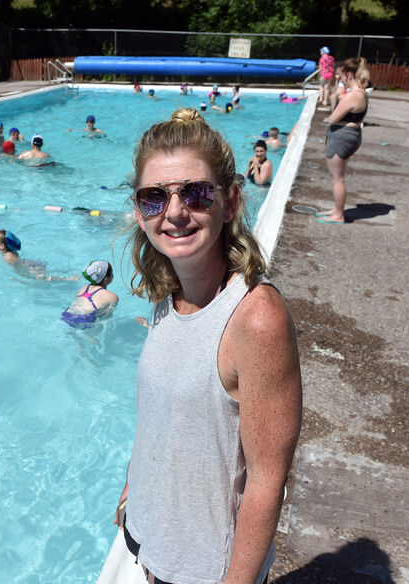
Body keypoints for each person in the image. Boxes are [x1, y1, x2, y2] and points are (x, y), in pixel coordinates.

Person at [104, 107, 302, 584]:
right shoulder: (168, 294)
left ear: (231, 201)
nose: (174, 212)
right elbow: (163, 413)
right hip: (153, 540)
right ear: (139, 211)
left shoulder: (255, 319)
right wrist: (136, 489)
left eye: (195, 193)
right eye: (154, 197)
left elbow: (266, 481)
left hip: (203, 569)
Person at [318, 57, 369, 225]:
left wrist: (336, 97)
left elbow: (333, 118)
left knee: (337, 178)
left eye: (340, 77)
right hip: (350, 135)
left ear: (349, 75)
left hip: (342, 137)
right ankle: (336, 210)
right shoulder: (362, 93)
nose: (339, 81)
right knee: (338, 177)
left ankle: (339, 215)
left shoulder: (352, 96)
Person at [0, 230, 75, 281]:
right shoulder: (9, 252)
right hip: (31, 264)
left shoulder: (8, 257)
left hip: (32, 268)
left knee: (45, 279)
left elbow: (17, 267)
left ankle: (68, 279)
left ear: (1, 246)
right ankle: (66, 276)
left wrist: (19, 279)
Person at [61, 260, 118, 329]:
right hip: (84, 320)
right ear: (106, 279)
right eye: (112, 274)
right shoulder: (112, 297)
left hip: (68, 315)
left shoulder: (84, 288)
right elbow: (106, 318)